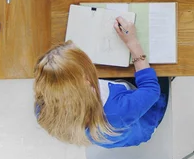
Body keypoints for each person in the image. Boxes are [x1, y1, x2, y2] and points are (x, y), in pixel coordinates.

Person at [34, 17, 169, 147]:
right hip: (142, 119)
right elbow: (151, 90)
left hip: (111, 125)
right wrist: (132, 43)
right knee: (162, 70)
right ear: (86, 80)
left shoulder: (43, 108)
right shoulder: (116, 111)